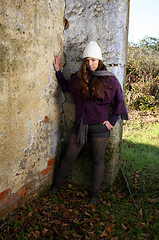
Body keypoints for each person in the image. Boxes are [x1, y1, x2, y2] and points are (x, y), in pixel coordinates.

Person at [51, 41, 128, 205]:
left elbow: (119, 103)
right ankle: (55, 186)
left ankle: (94, 195)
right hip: (80, 125)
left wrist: (111, 122)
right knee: (68, 157)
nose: (90, 63)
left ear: (99, 60)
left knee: (97, 160)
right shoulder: (78, 78)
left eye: (93, 60)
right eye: (87, 60)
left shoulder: (109, 80)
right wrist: (58, 71)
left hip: (100, 128)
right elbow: (65, 86)